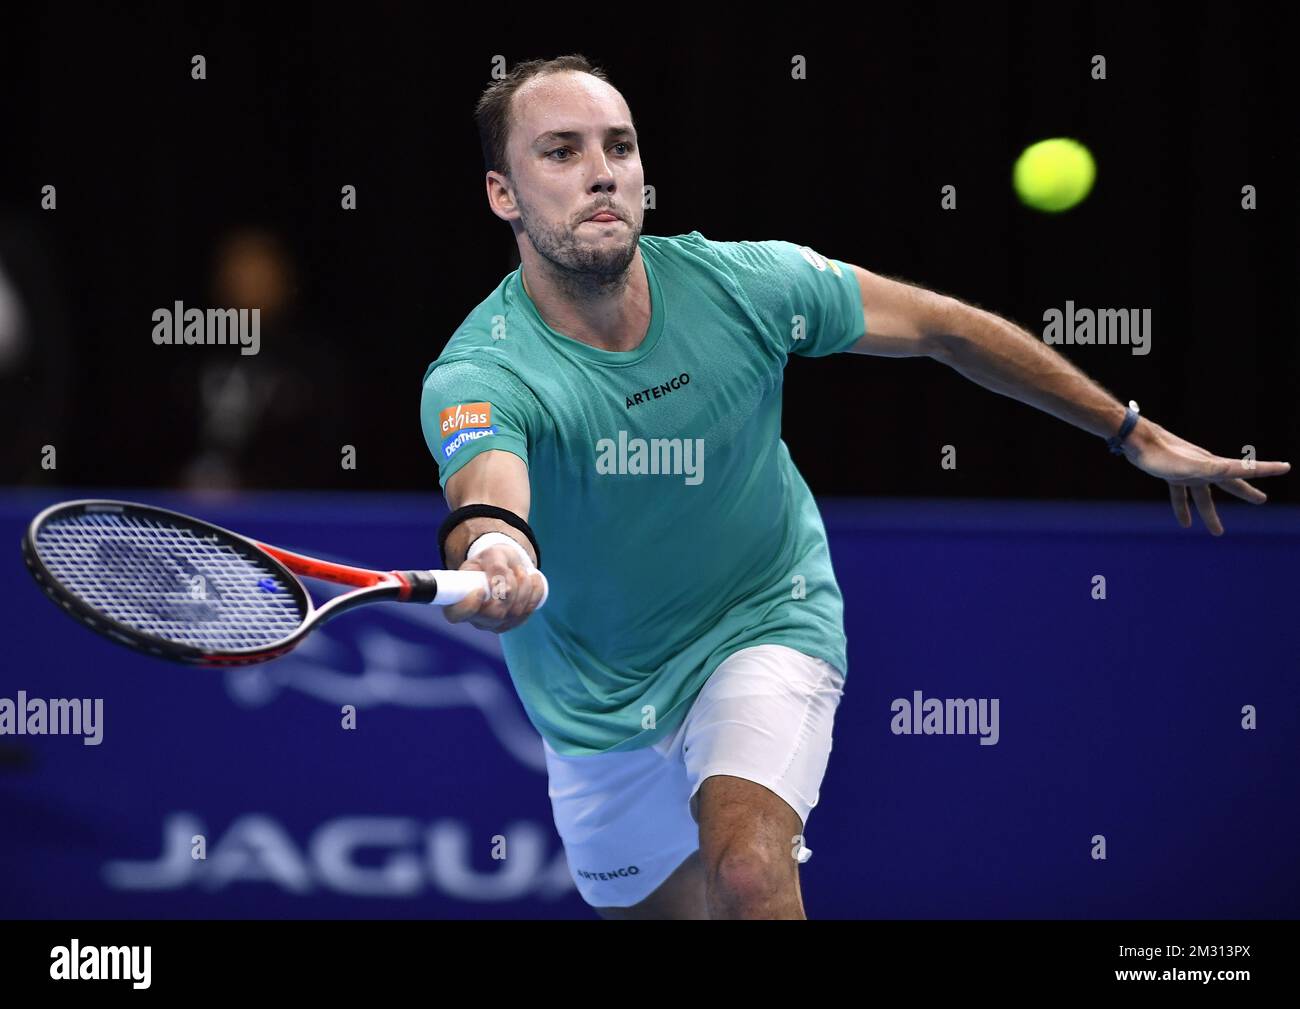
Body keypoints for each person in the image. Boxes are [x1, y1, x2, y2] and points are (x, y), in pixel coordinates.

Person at [419, 54, 1290, 920]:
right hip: (595, 706)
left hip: (760, 617)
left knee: (752, 875)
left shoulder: (745, 285)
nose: (604, 173)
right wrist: (499, 549)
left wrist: (1128, 429)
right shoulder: (481, 369)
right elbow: (488, 496)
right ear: (504, 194)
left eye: (621, 146)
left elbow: (943, 328)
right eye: (562, 152)